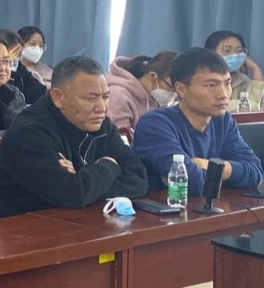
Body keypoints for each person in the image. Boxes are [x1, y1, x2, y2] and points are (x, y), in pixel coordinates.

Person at [0, 57, 147, 221]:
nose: (101, 108)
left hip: (71, 222)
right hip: (10, 229)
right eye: (91, 98)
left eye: (105, 97)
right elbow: (74, 194)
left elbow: (139, 178)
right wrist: (109, 165)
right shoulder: (30, 132)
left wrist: (85, 183)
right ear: (58, 97)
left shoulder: (101, 124)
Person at [132, 48, 264, 193]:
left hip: (211, 206)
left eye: (227, 83)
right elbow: (191, 182)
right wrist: (231, 173)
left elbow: (255, 172)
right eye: (211, 85)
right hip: (165, 207)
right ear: (181, 90)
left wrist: (208, 165)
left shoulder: (222, 120)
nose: (223, 94)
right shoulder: (155, 124)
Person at [106, 52, 177, 130]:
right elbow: (119, 135)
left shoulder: (154, 97)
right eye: (171, 87)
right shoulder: (119, 95)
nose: (174, 93)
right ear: (153, 77)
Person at [205, 31, 264, 111]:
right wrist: (255, 106)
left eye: (239, 51)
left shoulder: (242, 80)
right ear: (211, 54)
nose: (234, 55)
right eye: (227, 50)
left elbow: (255, 107)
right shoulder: (204, 80)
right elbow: (220, 106)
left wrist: (255, 69)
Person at [0, 29, 47, 103]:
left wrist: (20, 96)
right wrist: (9, 68)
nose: (15, 58)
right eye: (14, 52)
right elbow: (5, 96)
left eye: (19, 53)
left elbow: (40, 89)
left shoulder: (19, 66)